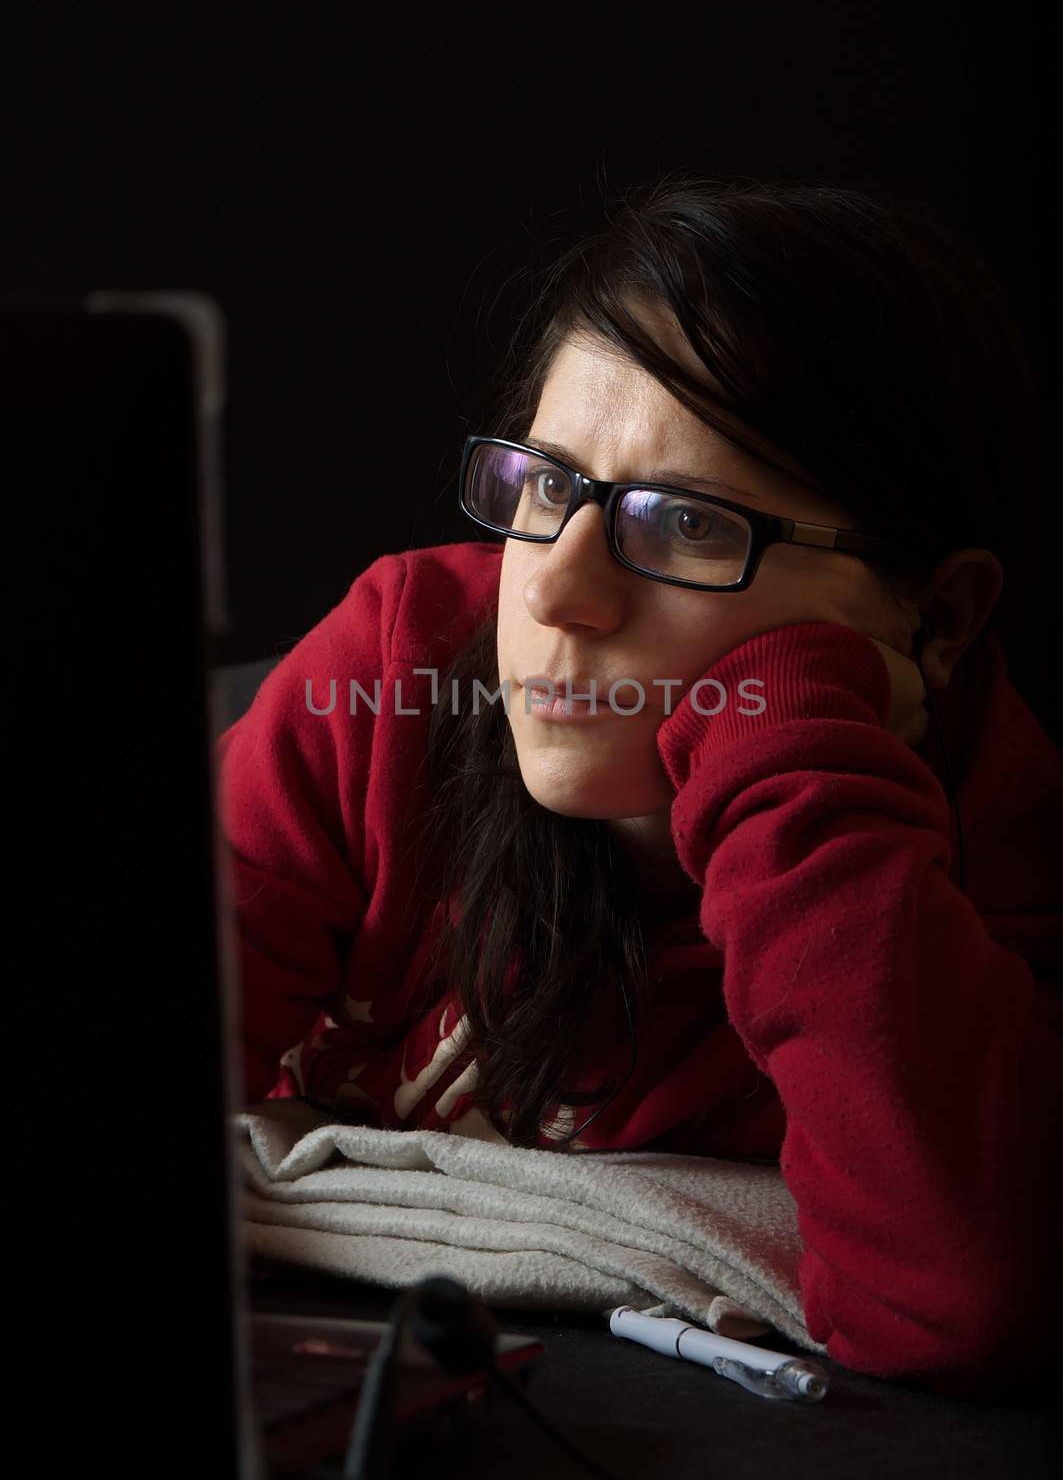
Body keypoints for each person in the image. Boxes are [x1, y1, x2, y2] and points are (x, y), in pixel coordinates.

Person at [216, 176, 1062, 1397]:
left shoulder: (995, 853)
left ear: (938, 617)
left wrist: (788, 752)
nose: (558, 593)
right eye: (545, 487)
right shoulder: (396, 672)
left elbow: (963, 1299)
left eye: (688, 526)